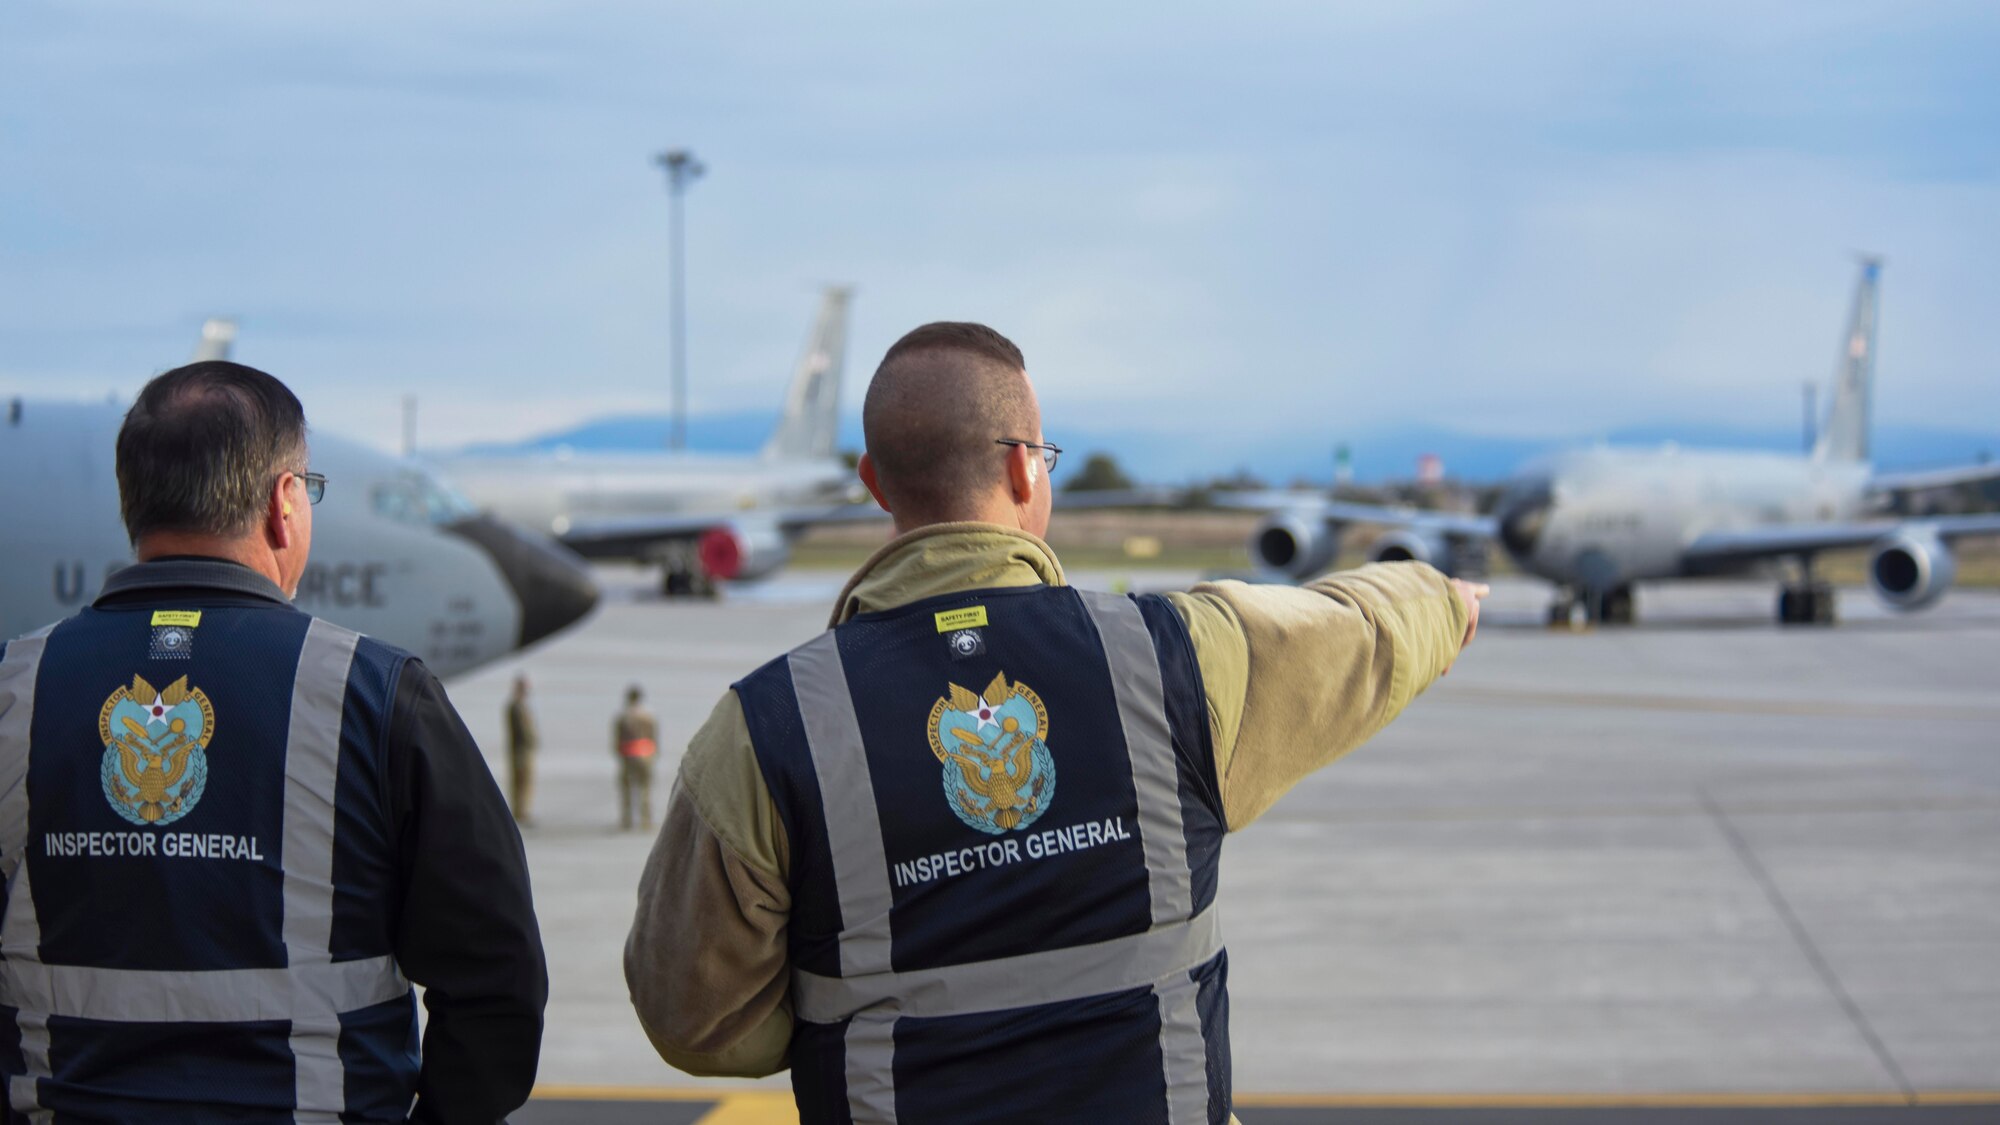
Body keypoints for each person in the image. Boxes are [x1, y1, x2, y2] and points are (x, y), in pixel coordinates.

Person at [624, 323, 1486, 1124]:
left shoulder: (769, 725)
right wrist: (1446, 599)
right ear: (1026, 470)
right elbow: (1357, 631)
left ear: (875, 483)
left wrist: (843, 993)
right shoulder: (1173, 657)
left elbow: (691, 1018)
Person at [0, 361, 548, 1122]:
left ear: (133, 502)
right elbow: (499, 982)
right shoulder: (376, 695)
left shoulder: (15, 691)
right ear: (284, 503)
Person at [614, 684, 658, 830]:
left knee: (626, 789)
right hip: (645, 752)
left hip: (628, 753)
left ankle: (627, 820)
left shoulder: (623, 716)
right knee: (645, 789)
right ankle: (646, 821)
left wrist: (619, 753)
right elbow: (654, 736)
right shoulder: (648, 716)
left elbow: (617, 738)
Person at [507, 674, 539, 824]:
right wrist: (531, 740)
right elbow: (522, 730)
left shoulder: (521, 706)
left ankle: (522, 810)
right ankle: (520, 811)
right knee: (521, 781)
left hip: (525, 749)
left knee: (525, 781)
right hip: (521, 749)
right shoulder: (515, 707)